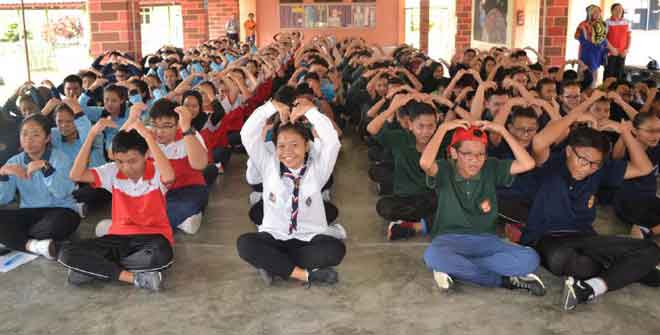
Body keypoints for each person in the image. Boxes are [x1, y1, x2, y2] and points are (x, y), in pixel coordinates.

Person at [523, 110, 660, 310]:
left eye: (595, 164)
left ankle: (589, 288)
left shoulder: (599, 170)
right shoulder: (552, 166)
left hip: (585, 238)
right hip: (548, 239)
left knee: (650, 250)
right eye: (583, 160)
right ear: (569, 151)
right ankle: (622, 270)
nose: (588, 168)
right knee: (570, 261)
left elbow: (643, 168)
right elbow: (539, 143)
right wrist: (573, 116)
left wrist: (625, 133)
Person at [419, 120, 545, 295]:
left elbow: (528, 164)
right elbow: (425, 163)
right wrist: (442, 128)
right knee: (433, 255)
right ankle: (502, 280)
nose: (475, 160)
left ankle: (457, 269)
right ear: (454, 153)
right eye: (467, 154)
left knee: (530, 259)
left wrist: (503, 131)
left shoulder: (491, 167)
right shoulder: (444, 169)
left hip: (487, 240)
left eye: (480, 154)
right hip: (449, 240)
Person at [236, 88, 346, 287]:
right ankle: (305, 275)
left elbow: (332, 142)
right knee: (245, 244)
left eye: (294, 145)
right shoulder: (269, 165)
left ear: (306, 146)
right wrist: (269, 107)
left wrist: (311, 111)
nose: (287, 152)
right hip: (275, 237)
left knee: (335, 250)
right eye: (281, 146)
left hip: (308, 238)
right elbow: (247, 134)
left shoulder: (317, 170)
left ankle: (276, 265)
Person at [60, 118, 176, 291]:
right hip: (117, 238)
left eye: (132, 161)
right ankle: (133, 278)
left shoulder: (157, 170)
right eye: (120, 161)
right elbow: (75, 175)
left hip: (152, 239)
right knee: (66, 252)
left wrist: (147, 135)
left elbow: (170, 177)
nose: (126, 167)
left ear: (146, 155)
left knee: (160, 254)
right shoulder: (111, 171)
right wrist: (91, 135)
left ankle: (95, 268)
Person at [367, 96, 450, 240]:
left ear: (437, 125)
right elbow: (371, 128)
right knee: (384, 206)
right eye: (421, 126)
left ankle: (412, 226)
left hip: (431, 197)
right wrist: (393, 107)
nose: (425, 131)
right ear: (410, 124)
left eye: (431, 126)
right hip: (405, 198)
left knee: (450, 205)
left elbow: (472, 121)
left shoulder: (440, 140)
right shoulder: (400, 138)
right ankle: (426, 222)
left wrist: (448, 104)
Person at [0, 114, 80, 259]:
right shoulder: (14, 161)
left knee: (55, 225)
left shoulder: (60, 158)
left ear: (47, 138)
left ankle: (13, 239)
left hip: (61, 211)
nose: (28, 139)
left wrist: (46, 168)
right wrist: (3, 175)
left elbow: (62, 192)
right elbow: (4, 198)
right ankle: (35, 246)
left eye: (36, 135)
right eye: (24, 134)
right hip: (29, 212)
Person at [149, 99, 209, 234]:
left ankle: (138, 227)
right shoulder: (148, 135)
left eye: (166, 126)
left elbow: (200, 164)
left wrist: (187, 128)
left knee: (182, 205)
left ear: (177, 125)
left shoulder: (190, 134)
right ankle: (183, 222)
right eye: (155, 125)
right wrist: (131, 121)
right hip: (158, 190)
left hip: (188, 190)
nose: (159, 132)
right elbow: (114, 153)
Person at [612, 112, 660, 243]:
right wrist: (624, 134)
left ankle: (646, 231)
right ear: (634, 131)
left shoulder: (656, 148)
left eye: (658, 130)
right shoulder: (625, 147)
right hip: (629, 201)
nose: (656, 135)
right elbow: (616, 158)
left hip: (650, 198)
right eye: (650, 131)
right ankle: (643, 231)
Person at [574, 5, 608, 86]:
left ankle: (592, 89)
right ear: (589, 13)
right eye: (594, 12)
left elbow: (603, 38)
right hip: (586, 50)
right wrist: (585, 33)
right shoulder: (583, 23)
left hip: (597, 51)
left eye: (598, 12)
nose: (597, 13)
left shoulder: (602, 24)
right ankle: (580, 90)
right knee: (582, 73)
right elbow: (576, 36)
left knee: (594, 73)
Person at [605, 3, 631, 80]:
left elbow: (629, 37)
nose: (618, 11)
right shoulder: (607, 22)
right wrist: (611, 48)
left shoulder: (626, 21)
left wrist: (627, 49)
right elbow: (603, 38)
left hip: (622, 52)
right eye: (616, 9)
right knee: (609, 74)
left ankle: (617, 91)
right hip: (611, 52)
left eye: (620, 9)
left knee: (620, 74)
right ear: (612, 11)